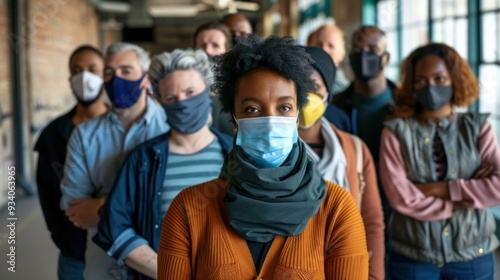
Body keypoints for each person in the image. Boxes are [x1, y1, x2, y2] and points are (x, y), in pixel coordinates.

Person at [158, 34, 369, 279]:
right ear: (234, 120)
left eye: (284, 108)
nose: (270, 122)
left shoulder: (337, 209)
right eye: (252, 109)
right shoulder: (188, 210)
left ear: (297, 117)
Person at [93, 49, 233, 280]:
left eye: (190, 92)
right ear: (159, 100)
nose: (183, 103)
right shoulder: (143, 159)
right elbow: (115, 227)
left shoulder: (236, 155)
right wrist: (174, 273)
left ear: (208, 91)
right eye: (171, 98)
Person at [380, 43, 500, 279]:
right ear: (411, 85)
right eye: (421, 81)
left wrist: (440, 189)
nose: (431, 87)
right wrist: (461, 200)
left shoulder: (478, 128)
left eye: (440, 79)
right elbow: (401, 198)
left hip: (473, 255)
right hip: (412, 258)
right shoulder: (395, 131)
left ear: (455, 80)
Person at [60, 42, 169, 278]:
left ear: (146, 79)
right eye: (109, 72)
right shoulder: (84, 135)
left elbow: (178, 197)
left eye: (126, 71)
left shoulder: (170, 126)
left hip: (164, 258)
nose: (116, 79)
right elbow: (75, 207)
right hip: (104, 262)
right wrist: (145, 201)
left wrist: (100, 206)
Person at [298, 46, 384, 280]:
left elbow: (371, 220)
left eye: (314, 88)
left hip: (347, 268)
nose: (306, 96)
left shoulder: (354, 150)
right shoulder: (271, 151)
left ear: (327, 94)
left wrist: (373, 275)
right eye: (298, 87)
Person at [34, 45, 108, 280]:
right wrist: (61, 237)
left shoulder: (123, 128)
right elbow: (47, 191)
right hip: (73, 250)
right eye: (77, 70)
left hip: (120, 248)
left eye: (92, 69)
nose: (84, 76)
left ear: (104, 75)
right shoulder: (53, 134)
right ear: (69, 79)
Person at [332, 25, 396, 238]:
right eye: (358, 50)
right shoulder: (335, 106)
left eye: (372, 49)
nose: (364, 55)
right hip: (352, 203)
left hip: (399, 206)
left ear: (385, 58)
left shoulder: (405, 104)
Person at [307, 23, 350, 95]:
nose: (324, 50)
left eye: (331, 46)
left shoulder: (346, 93)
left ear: (342, 54)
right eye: (319, 44)